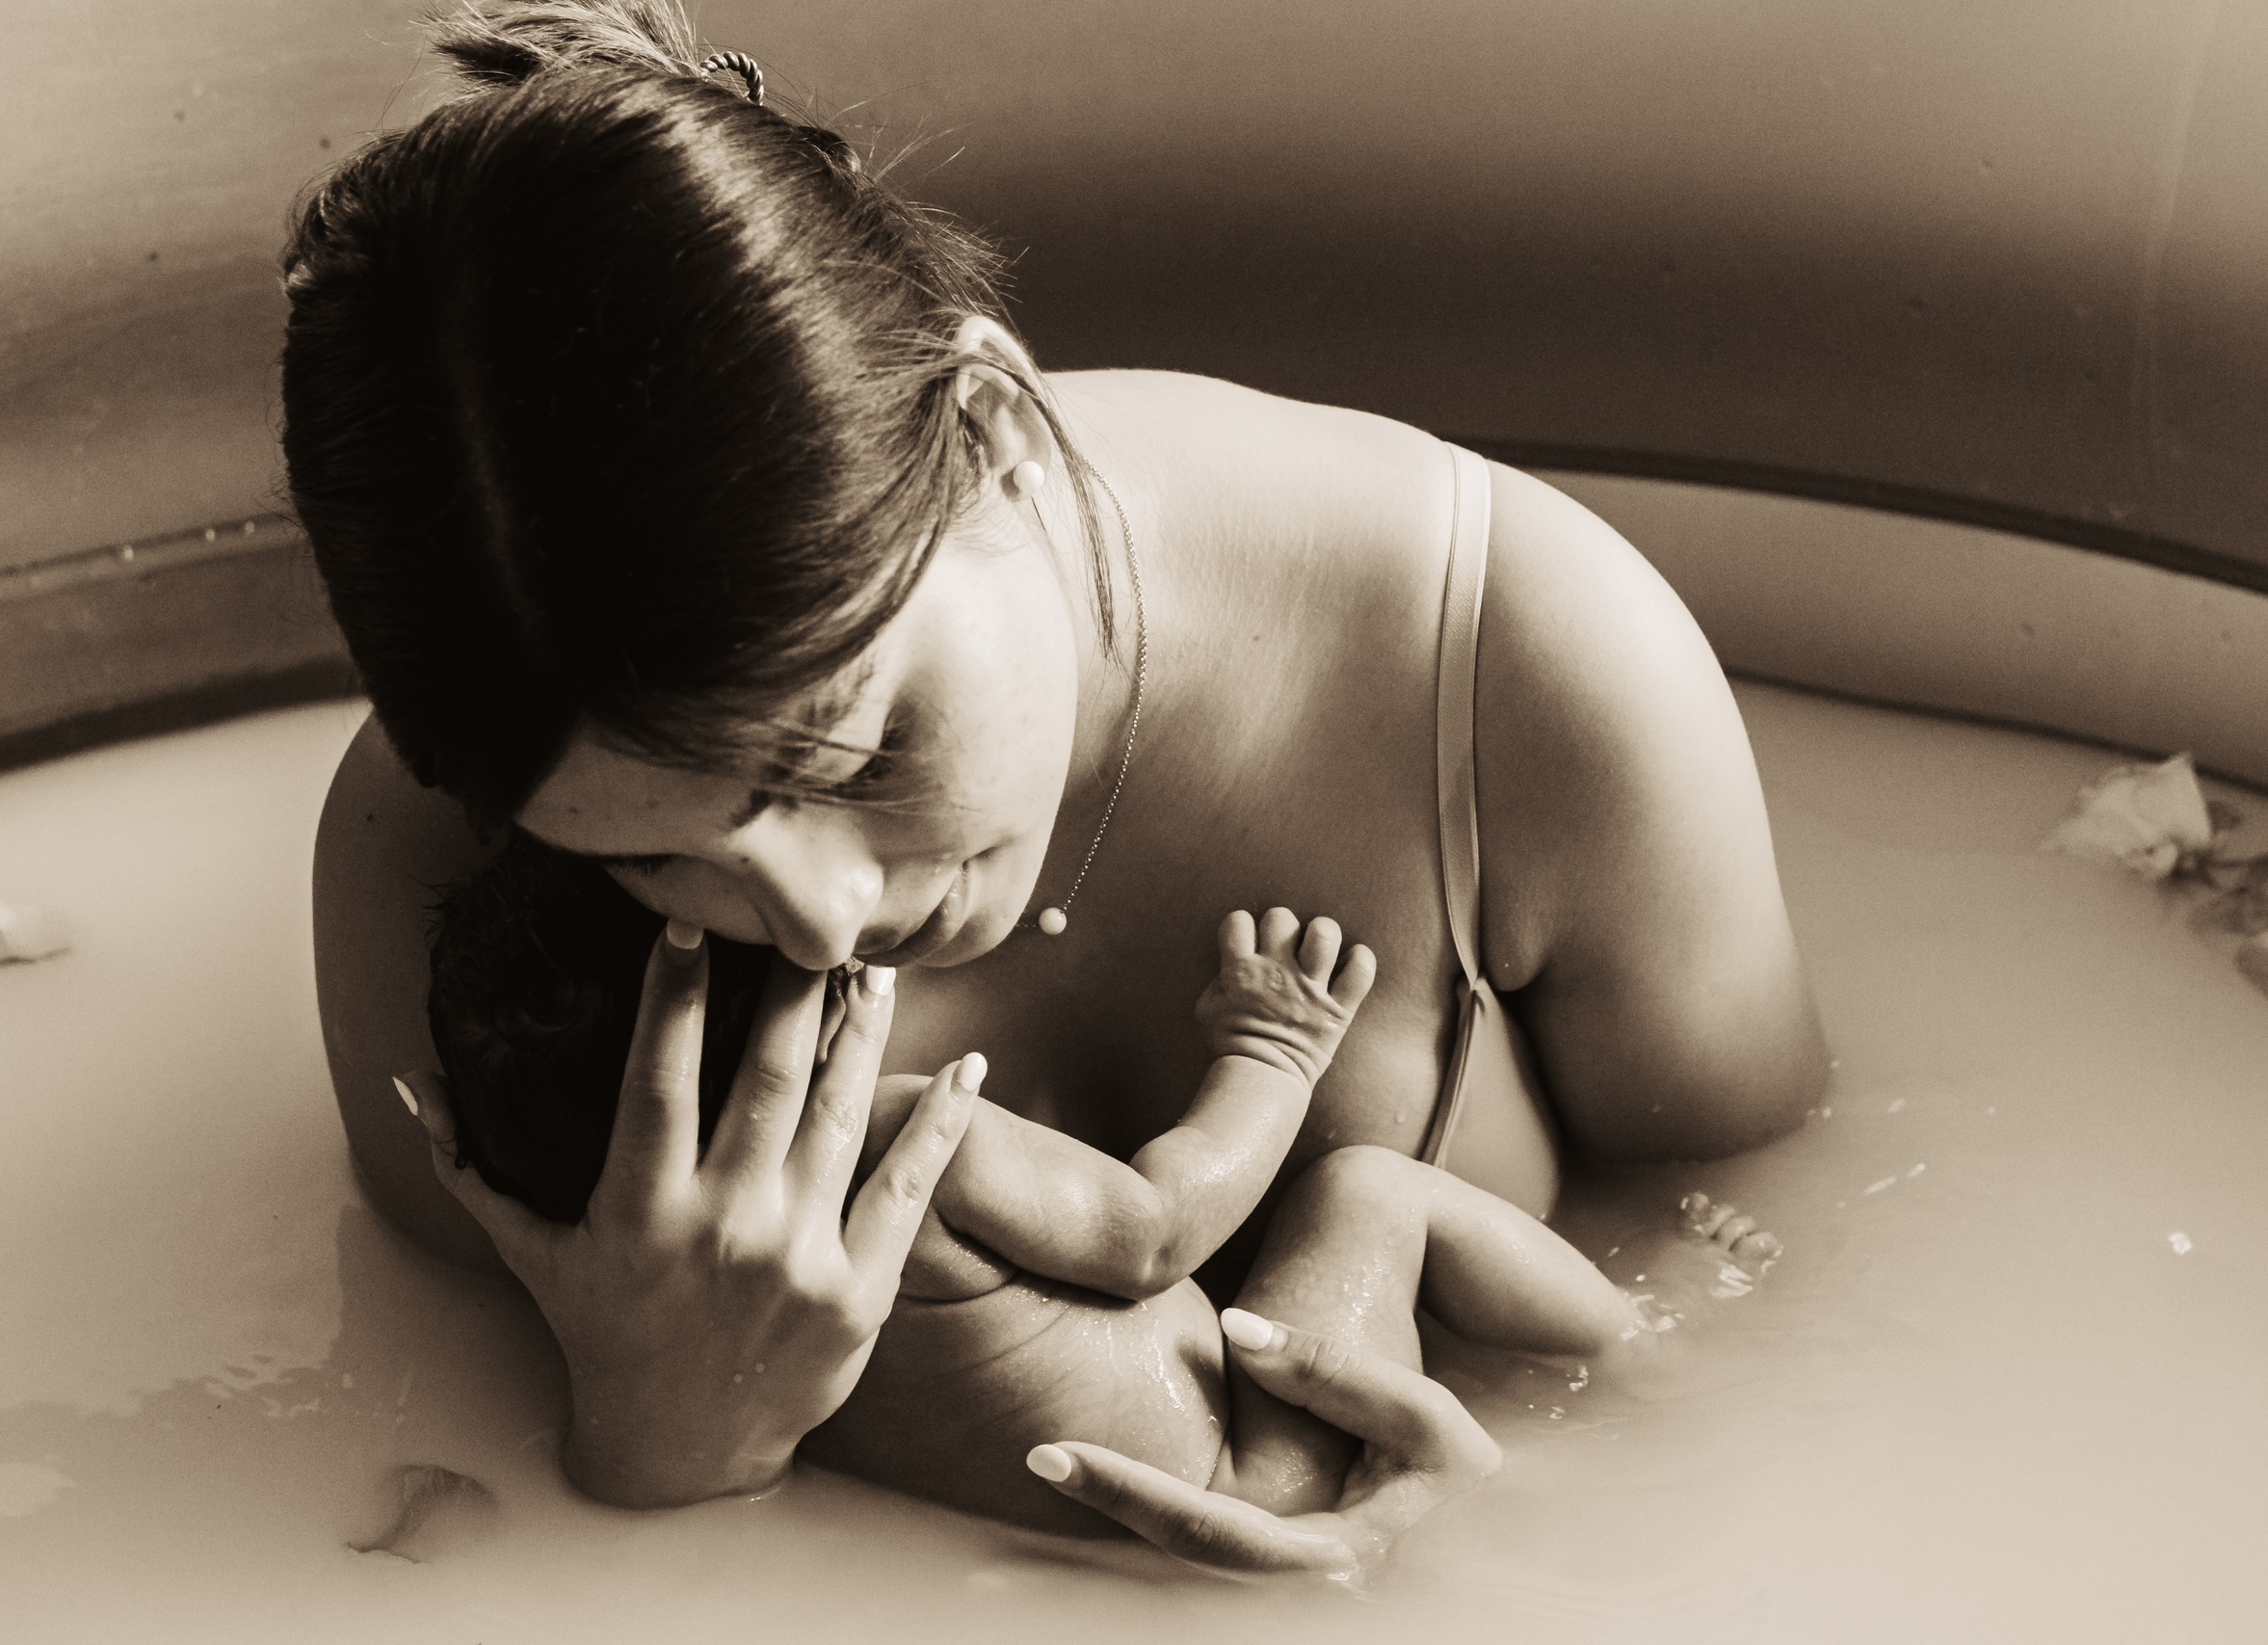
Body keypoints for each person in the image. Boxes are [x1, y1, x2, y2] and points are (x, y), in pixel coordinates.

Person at [290, 0, 1829, 1570]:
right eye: (652, 862)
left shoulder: (1530, 668)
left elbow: (1792, 1283)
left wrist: (1555, 1514)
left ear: (998, 424)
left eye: (857, 753)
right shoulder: (436, 859)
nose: (823, 931)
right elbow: (422, 1456)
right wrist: (659, 1443)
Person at [414, 850, 1780, 1565]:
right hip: (1260, 1467)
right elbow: (1151, 1233)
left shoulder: (601, 1259)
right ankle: (1647, 1343)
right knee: (1370, 1194)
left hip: (1087, 1546)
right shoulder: (902, 1137)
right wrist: (1271, 1055)